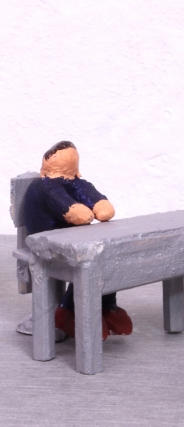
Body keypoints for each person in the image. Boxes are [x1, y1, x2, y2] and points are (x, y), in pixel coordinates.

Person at [23, 141, 132, 341]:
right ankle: (69, 311)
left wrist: (99, 204)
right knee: (89, 262)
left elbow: (103, 208)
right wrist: (88, 211)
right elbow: (78, 214)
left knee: (105, 255)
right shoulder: (45, 186)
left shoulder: (74, 182)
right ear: (45, 168)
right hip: (45, 242)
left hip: (71, 238)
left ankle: (106, 306)